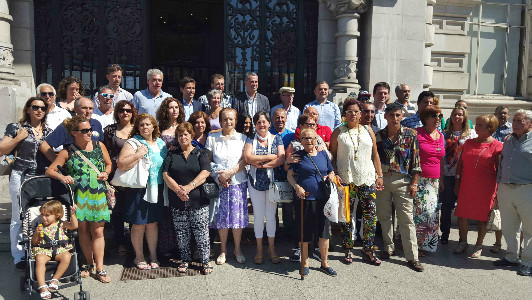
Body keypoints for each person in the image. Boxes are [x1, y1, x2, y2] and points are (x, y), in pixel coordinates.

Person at [45, 115, 112, 283]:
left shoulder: (99, 145)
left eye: (90, 129)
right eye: (85, 130)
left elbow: (109, 164)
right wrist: (63, 177)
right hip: (79, 196)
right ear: (74, 133)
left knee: (98, 231)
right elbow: (51, 170)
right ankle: (89, 265)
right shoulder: (67, 151)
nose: (90, 133)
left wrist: (106, 173)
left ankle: (100, 268)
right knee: (83, 231)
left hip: (98, 194)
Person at [330, 99, 384, 266]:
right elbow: (332, 155)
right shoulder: (338, 132)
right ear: (344, 114)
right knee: (347, 215)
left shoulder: (368, 130)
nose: (353, 114)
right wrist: (335, 173)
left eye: (356, 111)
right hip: (346, 180)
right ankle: (348, 247)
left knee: (370, 216)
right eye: (349, 111)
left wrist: (379, 175)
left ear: (360, 114)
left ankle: (368, 248)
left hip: (367, 179)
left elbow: (375, 155)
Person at [0, 97, 52, 270]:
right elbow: (1, 149)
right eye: (35, 107)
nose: (39, 110)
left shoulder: (49, 131)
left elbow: (53, 156)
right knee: (18, 216)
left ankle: (37, 250)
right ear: (28, 109)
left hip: (40, 178)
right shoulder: (16, 128)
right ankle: (18, 255)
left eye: (43, 108)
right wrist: (18, 139)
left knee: (38, 214)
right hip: (21, 175)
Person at [375, 102, 424, 272]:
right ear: (385, 116)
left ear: (402, 116)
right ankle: (388, 248)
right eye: (391, 115)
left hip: (403, 180)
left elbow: (416, 160)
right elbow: (375, 159)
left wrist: (414, 182)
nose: (395, 119)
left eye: (398, 115)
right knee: (384, 216)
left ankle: (412, 256)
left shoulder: (411, 134)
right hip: (383, 179)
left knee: (406, 219)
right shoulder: (379, 135)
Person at [117, 113, 167, 270]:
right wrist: (139, 154)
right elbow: (121, 164)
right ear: (137, 128)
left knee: (152, 224)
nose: (145, 127)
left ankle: (153, 255)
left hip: (157, 188)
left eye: (148, 124)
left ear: (154, 126)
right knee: (138, 225)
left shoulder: (160, 143)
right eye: (141, 125)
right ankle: (138, 256)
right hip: (138, 189)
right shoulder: (133, 142)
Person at [163, 122, 212, 275]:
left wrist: (189, 187)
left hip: (198, 200)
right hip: (178, 200)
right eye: (180, 135)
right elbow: (165, 174)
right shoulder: (172, 154)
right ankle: (185, 259)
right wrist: (178, 190)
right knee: (181, 232)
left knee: (202, 232)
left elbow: (205, 172)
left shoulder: (201, 153)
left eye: (186, 134)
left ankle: (205, 261)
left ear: (191, 136)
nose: (183, 137)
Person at [287, 128, 337, 276]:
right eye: (305, 138)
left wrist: (331, 177)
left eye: (311, 138)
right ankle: (305, 262)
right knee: (305, 233)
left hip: (324, 199)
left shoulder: (323, 153)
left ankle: (324, 263)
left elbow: (330, 170)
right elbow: (290, 175)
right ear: (300, 141)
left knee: (324, 232)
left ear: (317, 138)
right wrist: (297, 186)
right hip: (305, 199)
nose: (308, 141)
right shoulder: (298, 156)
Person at [453, 114, 502, 258]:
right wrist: (457, 181)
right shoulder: (468, 143)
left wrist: (498, 193)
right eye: (477, 124)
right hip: (467, 184)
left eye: (480, 125)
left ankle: (479, 245)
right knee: (462, 213)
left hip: (486, 187)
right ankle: (463, 242)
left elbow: (500, 171)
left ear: (490, 128)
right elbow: (460, 164)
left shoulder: (497, 146)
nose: (476, 127)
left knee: (482, 216)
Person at [206, 108, 249, 265]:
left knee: (237, 218)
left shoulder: (243, 138)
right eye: (225, 119)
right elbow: (207, 160)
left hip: (237, 182)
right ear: (220, 120)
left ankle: (237, 248)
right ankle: (223, 250)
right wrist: (219, 175)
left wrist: (230, 172)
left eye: (231, 119)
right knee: (222, 218)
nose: (228, 122)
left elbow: (245, 160)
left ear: (235, 121)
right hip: (220, 183)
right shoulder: (212, 138)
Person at [243, 111, 285, 264]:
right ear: (255, 124)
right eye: (259, 122)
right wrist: (269, 157)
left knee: (271, 216)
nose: (262, 125)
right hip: (255, 183)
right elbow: (248, 158)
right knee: (259, 216)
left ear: (269, 123)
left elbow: (281, 159)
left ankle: (272, 248)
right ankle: (259, 249)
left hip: (271, 183)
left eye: (264, 122)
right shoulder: (250, 139)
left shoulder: (277, 138)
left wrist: (261, 164)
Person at [494, 109, 532, 276]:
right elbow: (502, 164)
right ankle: (511, 256)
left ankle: (528, 262)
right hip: (505, 188)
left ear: (530, 123)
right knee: (509, 226)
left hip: (527, 189)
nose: (515, 124)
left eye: (520, 121)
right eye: (514, 120)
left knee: (530, 229)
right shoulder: (508, 140)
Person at [103, 100, 137, 256]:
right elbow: (105, 151)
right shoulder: (110, 130)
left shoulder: (137, 130)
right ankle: (120, 242)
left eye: (128, 110)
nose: (125, 113)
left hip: (133, 174)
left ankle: (133, 241)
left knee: (132, 209)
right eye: (122, 110)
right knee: (116, 210)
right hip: (115, 175)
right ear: (117, 112)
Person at [439, 107, 477, 244]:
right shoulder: (444, 134)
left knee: (463, 207)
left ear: (464, 117)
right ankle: (445, 233)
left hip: (464, 174)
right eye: (454, 114)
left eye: (460, 115)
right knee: (446, 206)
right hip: (448, 174)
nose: (457, 117)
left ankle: (463, 238)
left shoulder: (471, 134)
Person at [155, 97, 184, 258]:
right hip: (163, 171)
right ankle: (165, 246)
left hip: (180, 171)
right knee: (165, 210)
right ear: (165, 110)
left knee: (179, 209)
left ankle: (181, 246)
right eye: (171, 107)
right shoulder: (159, 129)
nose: (174, 110)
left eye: (176, 107)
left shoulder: (183, 127)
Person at [414, 106, 445, 255]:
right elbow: (411, 157)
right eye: (434, 116)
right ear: (426, 118)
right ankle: (417, 244)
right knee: (420, 212)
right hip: (419, 180)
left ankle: (426, 244)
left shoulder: (441, 135)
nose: (438, 118)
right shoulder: (417, 133)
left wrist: (442, 180)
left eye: (440, 116)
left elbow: (442, 160)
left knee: (431, 213)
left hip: (434, 181)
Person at [32, 200, 78, 299]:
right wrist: (36, 233)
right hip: (45, 251)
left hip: (60, 250)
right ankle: (42, 286)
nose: (43, 218)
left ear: (57, 215)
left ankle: (54, 280)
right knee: (39, 259)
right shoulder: (40, 227)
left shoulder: (61, 224)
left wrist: (73, 215)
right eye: (42, 215)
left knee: (67, 256)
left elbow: (74, 226)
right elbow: (34, 243)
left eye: (47, 215)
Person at [39, 97, 104, 160]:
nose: (88, 111)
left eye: (90, 108)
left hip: (95, 168)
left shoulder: (96, 124)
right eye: (84, 108)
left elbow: (102, 148)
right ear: (75, 109)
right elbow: (44, 146)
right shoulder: (67, 126)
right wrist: (60, 164)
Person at [269, 108, 296, 255]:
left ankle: (288, 233)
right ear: (272, 119)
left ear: (286, 119)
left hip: (287, 174)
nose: (280, 120)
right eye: (277, 117)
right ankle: (274, 233)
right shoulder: (268, 134)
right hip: (272, 174)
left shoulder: (291, 135)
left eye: (282, 117)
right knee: (272, 206)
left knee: (288, 207)